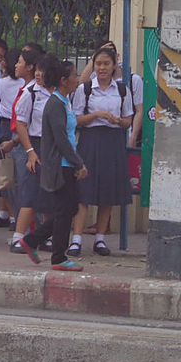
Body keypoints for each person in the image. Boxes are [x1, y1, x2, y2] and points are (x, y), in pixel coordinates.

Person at [18, 56, 87, 271]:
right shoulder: (55, 104)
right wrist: (78, 164)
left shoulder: (64, 101)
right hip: (61, 165)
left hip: (66, 163)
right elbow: (61, 139)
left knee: (67, 208)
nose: (77, 79)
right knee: (64, 210)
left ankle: (32, 241)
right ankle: (58, 256)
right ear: (64, 80)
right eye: (75, 75)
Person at [69, 46, 133, 257]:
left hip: (113, 142)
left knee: (108, 192)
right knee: (83, 191)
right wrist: (97, 115)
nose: (102, 68)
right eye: (98, 64)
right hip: (90, 140)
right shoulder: (85, 89)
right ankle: (76, 240)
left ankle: (100, 239)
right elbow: (76, 119)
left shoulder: (122, 90)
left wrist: (117, 120)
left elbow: (128, 121)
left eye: (106, 63)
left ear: (114, 65)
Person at [0, 53, 53, 252]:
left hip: (50, 147)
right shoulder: (30, 93)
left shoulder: (56, 94)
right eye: (37, 70)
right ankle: (18, 238)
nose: (39, 75)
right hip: (34, 144)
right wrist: (30, 151)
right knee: (30, 193)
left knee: (49, 193)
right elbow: (21, 124)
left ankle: (45, 236)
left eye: (43, 71)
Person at [0, 48, 24, 228]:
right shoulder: (26, 83)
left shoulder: (0, 83)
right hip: (15, 126)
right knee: (14, 172)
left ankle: (9, 214)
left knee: (6, 171)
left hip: (6, 125)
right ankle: (9, 214)